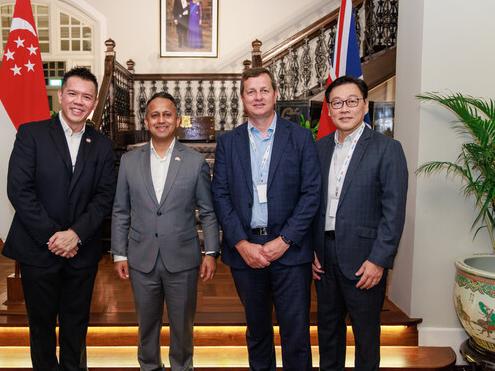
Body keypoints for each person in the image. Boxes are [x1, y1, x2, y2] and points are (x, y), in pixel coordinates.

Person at [2, 67, 116, 371]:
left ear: (93, 103)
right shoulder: (31, 133)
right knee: (40, 327)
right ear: (61, 95)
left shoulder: (102, 145)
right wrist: (55, 236)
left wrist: (75, 234)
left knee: (76, 325)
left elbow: (104, 197)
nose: (79, 101)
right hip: (38, 250)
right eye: (73, 93)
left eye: (87, 96)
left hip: (82, 252)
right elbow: (19, 190)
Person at [212, 67, 321, 371]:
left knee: (295, 334)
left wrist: (285, 240)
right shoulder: (228, 143)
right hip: (245, 253)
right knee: (257, 332)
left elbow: (311, 193)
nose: (258, 97)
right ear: (243, 99)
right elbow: (219, 195)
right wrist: (241, 244)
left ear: (275, 95)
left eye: (264, 90)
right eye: (251, 91)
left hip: (291, 251)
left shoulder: (299, 137)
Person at [111, 92, 220, 371]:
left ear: (177, 120)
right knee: (146, 325)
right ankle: (149, 367)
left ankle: (182, 367)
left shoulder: (195, 162)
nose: (161, 120)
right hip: (140, 258)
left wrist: (211, 252)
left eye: (167, 114)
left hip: (183, 259)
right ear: (146, 121)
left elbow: (207, 211)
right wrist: (119, 254)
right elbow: (121, 210)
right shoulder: (129, 161)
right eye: (155, 115)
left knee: (183, 326)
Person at [312, 75, 408, 371]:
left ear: (365, 105)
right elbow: (312, 203)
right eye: (337, 103)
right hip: (323, 258)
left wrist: (379, 260)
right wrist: (311, 249)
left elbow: (394, 211)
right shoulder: (319, 148)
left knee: (366, 337)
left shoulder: (386, 148)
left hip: (364, 261)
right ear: (328, 110)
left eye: (352, 101)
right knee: (329, 333)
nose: (344, 108)